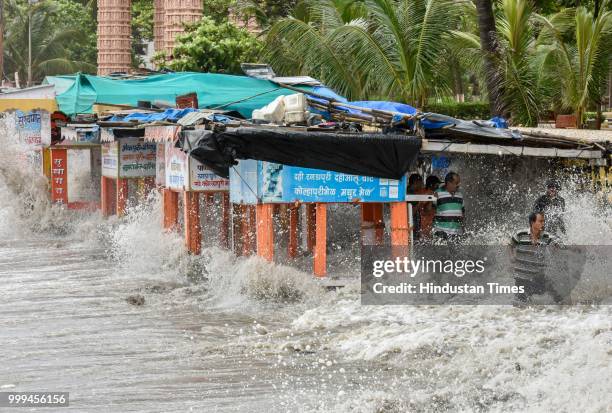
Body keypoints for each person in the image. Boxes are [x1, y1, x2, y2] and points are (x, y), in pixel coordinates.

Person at [511, 212, 561, 303]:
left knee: (557, 299)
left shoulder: (546, 236)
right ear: (532, 222)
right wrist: (511, 256)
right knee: (520, 305)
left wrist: (558, 247)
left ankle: (564, 313)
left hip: (538, 277)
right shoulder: (520, 234)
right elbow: (509, 245)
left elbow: (558, 242)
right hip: (521, 278)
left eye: (543, 221)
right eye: (540, 221)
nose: (543, 223)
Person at [433, 172, 465, 241]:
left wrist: (463, 229)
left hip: (457, 234)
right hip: (441, 233)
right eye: (456, 183)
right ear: (448, 183)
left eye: (459, 183)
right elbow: (429, 210)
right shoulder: (437, 193)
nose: (458, 185)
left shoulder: (460, 195)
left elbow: (463, 214)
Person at [415, 175, 440, 240]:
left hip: (426, 223)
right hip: (425, 223)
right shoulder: (429, 193)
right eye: (437, 185)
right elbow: (427, 209)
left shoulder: (422, 192)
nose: (438, 187)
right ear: (431, 185)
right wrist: (431, 198)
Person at [407, 174, 424, 238]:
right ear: (415, 182)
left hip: (414, 226)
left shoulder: (413, 193)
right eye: (421, 182)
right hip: (411, 226)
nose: (422, 184)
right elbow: (410, 212)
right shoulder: (410, 194)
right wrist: (420, 203)